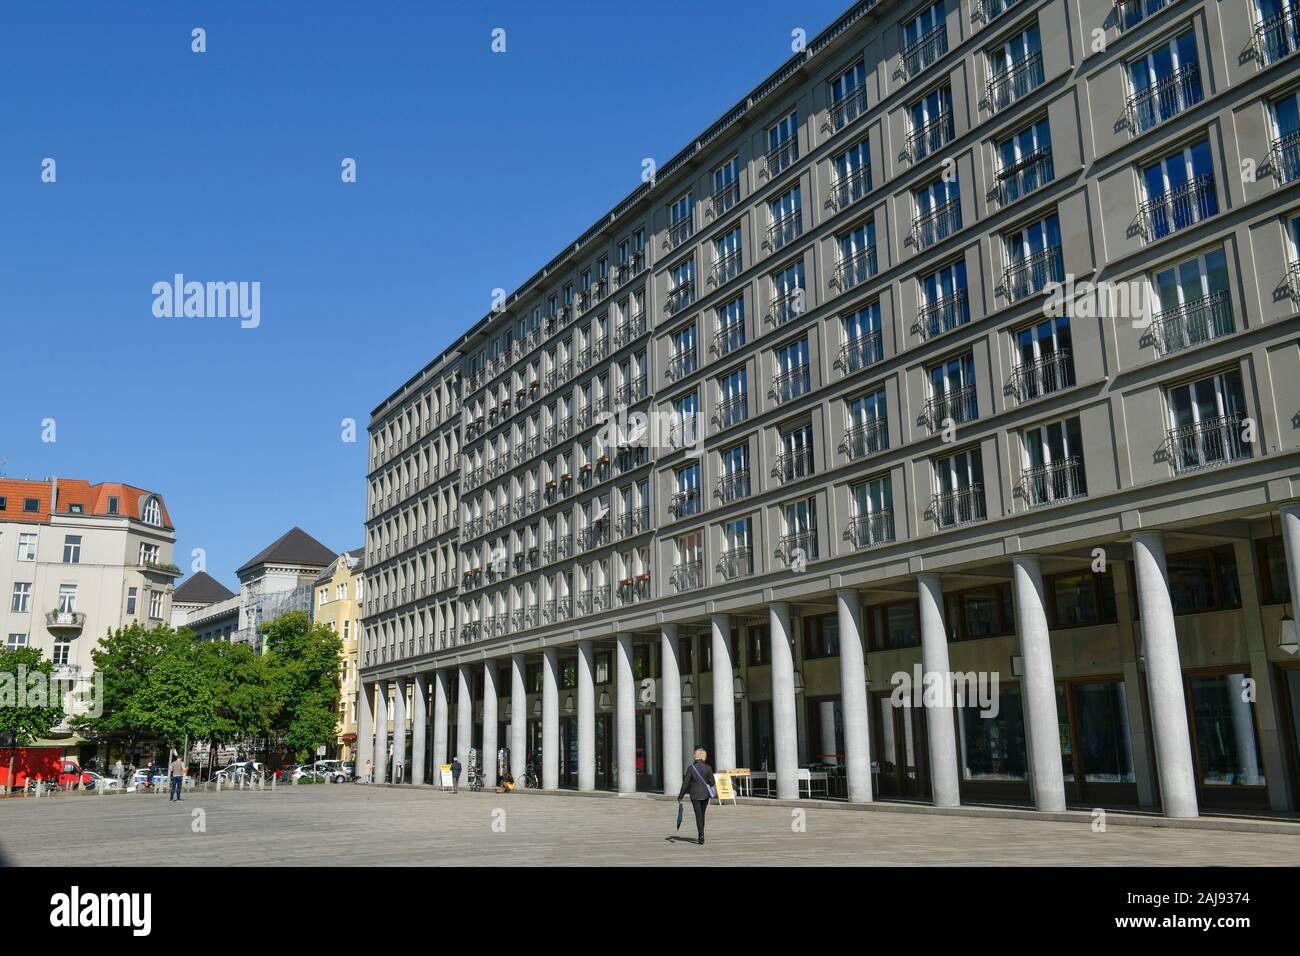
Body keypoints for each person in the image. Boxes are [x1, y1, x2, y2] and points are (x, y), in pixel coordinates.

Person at [678, 748, 716, 845]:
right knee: (702, 815)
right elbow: (712, 782)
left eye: (694, 754)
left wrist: (680, 796)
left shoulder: (691, 768)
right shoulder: (708, 768)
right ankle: (701, 834)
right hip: (705, 795)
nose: (693, 755)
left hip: (695, 795)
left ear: (697, 756)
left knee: (698, 815)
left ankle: (701, 836)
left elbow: (685, 784)